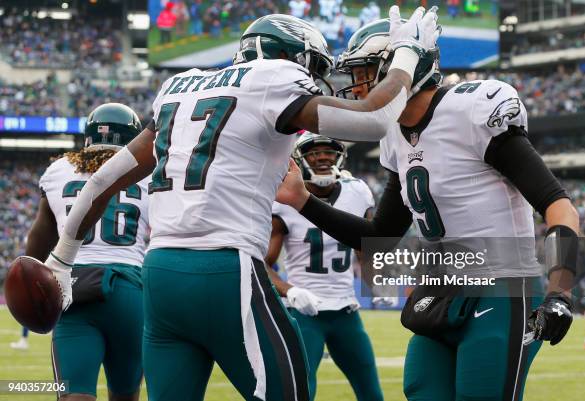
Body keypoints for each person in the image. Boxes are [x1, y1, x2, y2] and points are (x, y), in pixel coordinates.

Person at [42, 8, 441, 401]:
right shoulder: (275, 76)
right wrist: (406, 53)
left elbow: (102, 180)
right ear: (290, 57)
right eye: (314, 67)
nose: (317, 79)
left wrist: (61, 261)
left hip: (161, 275)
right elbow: (372, 122)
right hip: (226, 268)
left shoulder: (180, 86)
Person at [275, 18, 580, 401]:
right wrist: (303, 201)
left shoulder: (472, 109)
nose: (359, 86)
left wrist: (560, 293)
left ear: (405, 68)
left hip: (503, 287)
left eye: (367, 72)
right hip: (440, 289)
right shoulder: (392, 137)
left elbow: (559, 207)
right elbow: (377, 239)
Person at [26, 103, 150, 401]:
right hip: (130, 287)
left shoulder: (58, 170)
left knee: (72, 394)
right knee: (125, 394)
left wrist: (32, 284)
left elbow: (38, 241)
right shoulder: (150, 171)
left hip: (73, 286)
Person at [264, 133, 383, 401]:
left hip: (346, 311)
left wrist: (379, 280)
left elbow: (366, 250)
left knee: (372, 394)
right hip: (305, 313)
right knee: (301, 393)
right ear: (299, 159)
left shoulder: (358, 192)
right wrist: (290, 290)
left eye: (329, 152)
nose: (323, 158)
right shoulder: (283, 200)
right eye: (314, 153)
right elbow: (261, 263)